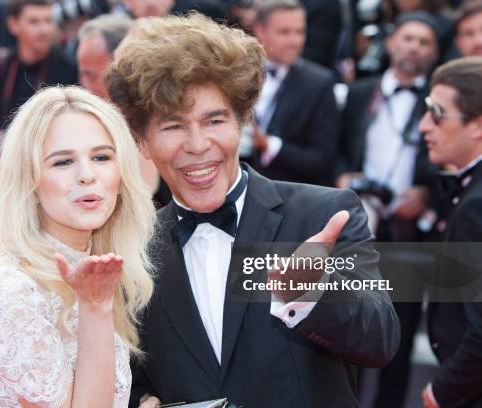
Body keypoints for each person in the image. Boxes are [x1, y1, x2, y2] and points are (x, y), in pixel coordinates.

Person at [106, 13, 400, 408]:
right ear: (141, 140)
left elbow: (381, 341)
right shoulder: (132, 247)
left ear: (243, 122)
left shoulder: (324, 213)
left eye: (214, 120)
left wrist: (311, 295)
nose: (197, 144)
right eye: (173, 126)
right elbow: (129, 377)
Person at [0, 85, 156, 407]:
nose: (87, 175)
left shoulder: (95, 272)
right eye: (62, 162)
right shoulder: (9, 288)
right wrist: (95, 308)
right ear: (30, 182)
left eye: (101, 157)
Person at [336, 11, 441, 407]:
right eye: (408, 38)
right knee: (350, 328)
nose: (413, 46)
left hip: (408, 233)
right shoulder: (361, 92)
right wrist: (343, 179)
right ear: (393, 42)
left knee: (399, 332)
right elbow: (338, 148)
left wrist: (426, 192)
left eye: (424, 41)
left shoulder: (436, 99)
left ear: (433, 53)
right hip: (358, 226)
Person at [418, 56, 482, 408]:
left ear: (477, 125)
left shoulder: (477, 206)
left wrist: (443, 391)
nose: (425, 125)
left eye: (437, 114)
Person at [0, 0, 77, 158]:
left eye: (48, 21)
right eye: (34, 21)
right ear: (13, 24)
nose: (44, 29)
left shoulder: (68, 67)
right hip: (3, 161)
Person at [251, 0, 339, 185]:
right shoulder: (234, 71)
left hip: (285, 189)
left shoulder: (319, 83)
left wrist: (268, 144)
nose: (295, 41)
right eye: (284, 32)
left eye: (300, 32)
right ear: (260, 31)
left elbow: (322, 160)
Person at [76, 14, 161, 204]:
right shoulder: (84, 124)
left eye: (90, 76)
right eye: (82, 75)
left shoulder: (152, 125)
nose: (84, 87)